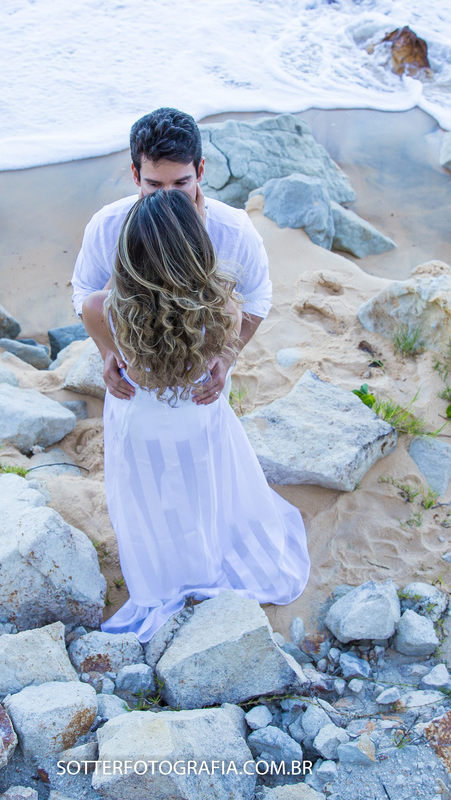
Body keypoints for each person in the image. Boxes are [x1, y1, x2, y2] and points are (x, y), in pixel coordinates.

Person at [79, 189, 310, 643]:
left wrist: (111, 348)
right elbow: (223, 351)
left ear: (128, 254)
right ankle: (205, 565)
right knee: (201, 489)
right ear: (197, 252)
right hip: (197, 415)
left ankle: (160, 578)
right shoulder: (223, 307)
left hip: (138, 420)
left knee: (145, 496)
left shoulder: (101, 307)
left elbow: (101, 333)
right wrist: (220, 361)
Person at [72, 107, 271, 405]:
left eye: (181, 183)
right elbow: (85, 292)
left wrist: (227, 356)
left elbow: (257, 296)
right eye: (154, 185)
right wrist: (108, 349)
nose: (168, 197)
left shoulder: (235, 230)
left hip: (201, 388)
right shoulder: (107, 225)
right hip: (133, 384)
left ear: (200, 171)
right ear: (136, 175)